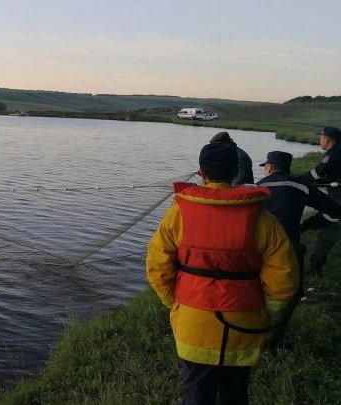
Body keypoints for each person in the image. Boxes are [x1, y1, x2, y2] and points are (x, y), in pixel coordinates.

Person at [146, 143, 298, 405]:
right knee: (235, 393)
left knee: (196, 392)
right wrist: (268, 313)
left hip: (193, 323)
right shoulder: (264, 220)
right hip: (245, 325)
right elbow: (285, 278)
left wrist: (175, 302)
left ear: (202, 173)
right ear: (237, 171)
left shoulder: (178, 214)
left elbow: (157, 266)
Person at [257, 151, 341, 344]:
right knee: (293, 292)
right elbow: (335, 212)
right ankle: (274, 337)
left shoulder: (257, 187)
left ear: (269, 168)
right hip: (289, 245)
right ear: (288, 168)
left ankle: (254, 329)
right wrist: (307, 226)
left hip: (260, 247)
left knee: (257, 287)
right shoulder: (301, 186)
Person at [300, 126, 341, 275]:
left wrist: (295, 180)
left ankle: (314, 271)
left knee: (327, 232)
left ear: (328, 140)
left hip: (338, 201)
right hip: (336, 198)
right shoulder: (338, 152)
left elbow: (315, 174)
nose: (320, 140)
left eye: (321, 138)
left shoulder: (332, 155)